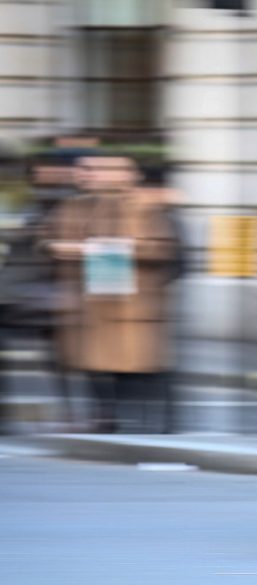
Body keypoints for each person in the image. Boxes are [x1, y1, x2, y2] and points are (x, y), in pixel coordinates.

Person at [42, 154, 179, 433]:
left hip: (134, 305)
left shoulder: (145, 207)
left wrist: (87, 250)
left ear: (128, 175)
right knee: (101, 367)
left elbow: (160, 250)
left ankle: (153, 423)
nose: (96, 176)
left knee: (142, 371)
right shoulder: (91, 205)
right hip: (100, 304)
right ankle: (108, 418)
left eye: (106, 170)